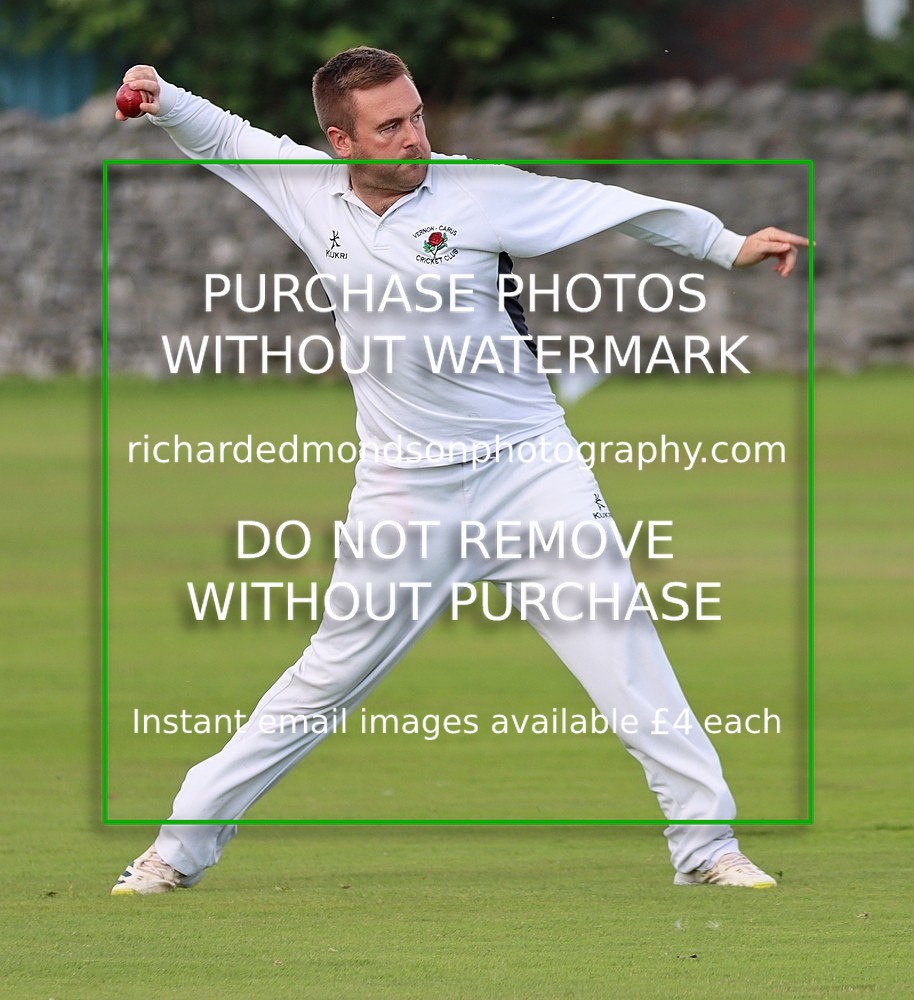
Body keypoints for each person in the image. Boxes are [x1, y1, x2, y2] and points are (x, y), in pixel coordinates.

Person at [111, 47, 808, 895]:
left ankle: (707, 849)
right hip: (405, 491)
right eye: (391, 126)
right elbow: (222, 138)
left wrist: (725, 244)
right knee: (323, 680)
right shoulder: (303, 188)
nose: (415, 139)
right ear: (341, 142)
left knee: (626, 657)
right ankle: (174, 851)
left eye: (418, 117)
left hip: (529, 471)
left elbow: (612, 205)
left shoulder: (481, 190)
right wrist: (159, 94)